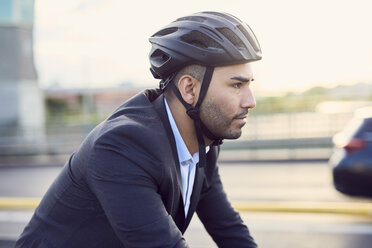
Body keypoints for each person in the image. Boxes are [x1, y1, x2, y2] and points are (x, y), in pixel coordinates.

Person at [15, 11, 262, 247]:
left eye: (249, 84)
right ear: (189, 89)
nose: (250, 101)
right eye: (237, 85)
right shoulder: (122, 146)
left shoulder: (203, 144)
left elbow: (228, 228)